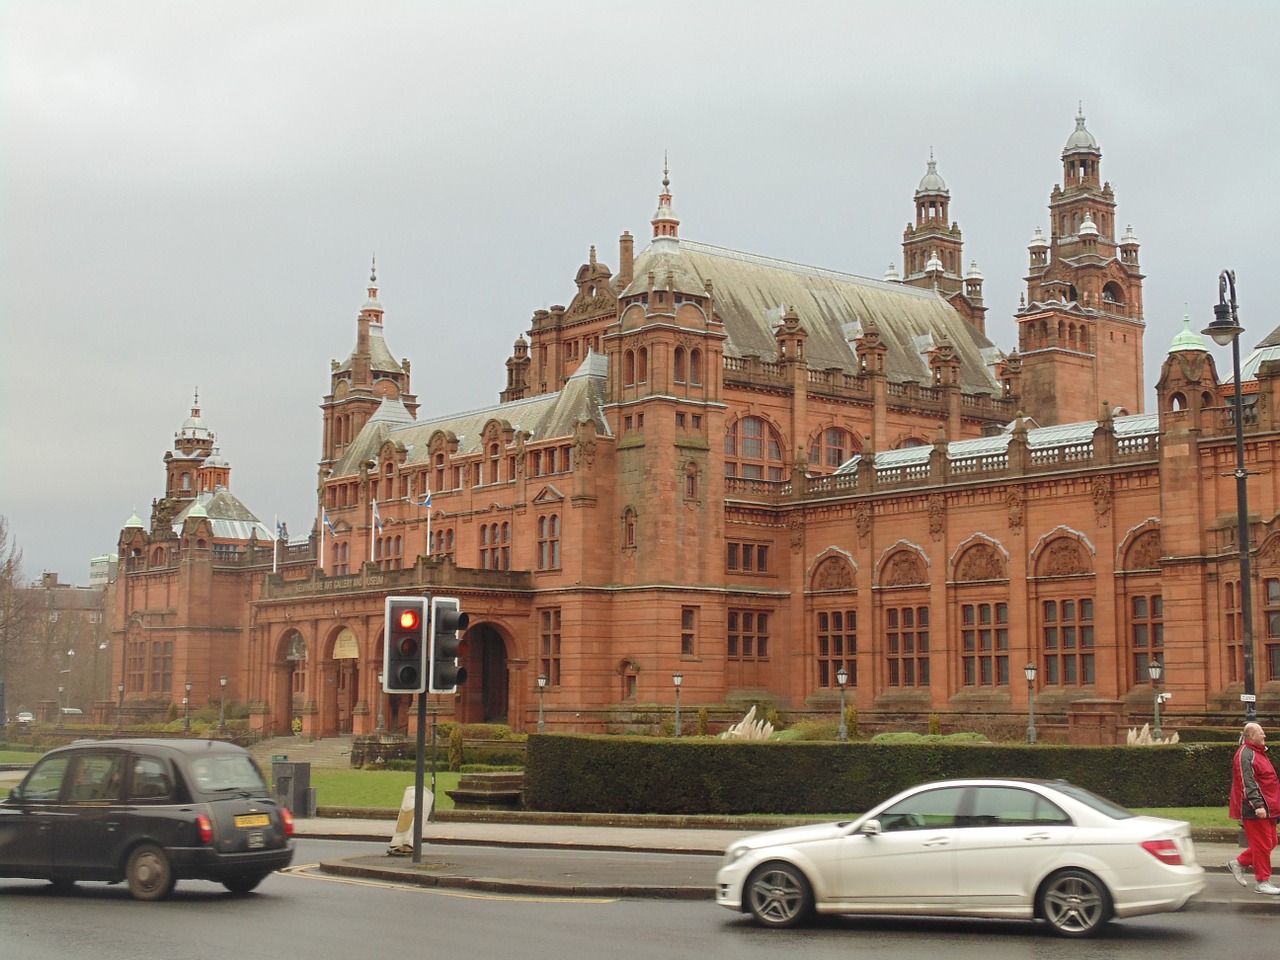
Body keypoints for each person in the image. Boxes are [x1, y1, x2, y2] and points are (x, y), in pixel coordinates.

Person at [1229, 721, 1280, 895]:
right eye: (1261, 733)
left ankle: (1240, 863)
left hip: (1268, 807)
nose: (1264, 736)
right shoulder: (1246, 754)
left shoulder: (1257, 753)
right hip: (1256, 808)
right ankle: (1262, 882)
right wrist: (1257, 805)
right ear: (1251, 736)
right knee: (1264, 844)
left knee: (1271, 841)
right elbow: (1247, 782)